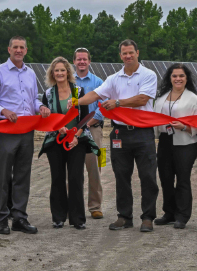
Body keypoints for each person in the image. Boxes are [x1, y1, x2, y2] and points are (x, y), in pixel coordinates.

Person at [77, 39, 158, 232]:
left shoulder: (148, 75)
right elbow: (95, 95)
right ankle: (124, 216)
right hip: (120, 134)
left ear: (137, 53)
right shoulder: (114, 78)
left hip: (143, 133)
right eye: (124, 53)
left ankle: (148, 218)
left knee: (147, 176)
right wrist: (73, 103)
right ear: (120, 55)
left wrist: (118, 103)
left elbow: (142, 99)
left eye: (131, 52)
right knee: (121, 176)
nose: (128, 56)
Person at [0, 36, 52, 235]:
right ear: (8, 49)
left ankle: (20, 217)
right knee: (4, 175)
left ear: (26, 50)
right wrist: (3, 111)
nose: (18, 50)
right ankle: (2, 218)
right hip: (7, 130)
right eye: (15, 47)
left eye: (22, 47)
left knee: (23, 175)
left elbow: (33, 98)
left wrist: (40, 106)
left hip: (26, 131)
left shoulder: (31, 73)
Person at [39, 57, 99, 230]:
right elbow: (46, 120)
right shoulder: (48, 94)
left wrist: (76, 136)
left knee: (75, 178)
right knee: (57, 178)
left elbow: (85, 117)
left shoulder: (78, 92)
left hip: (76, 141)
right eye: (56, 70)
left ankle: (78, 219)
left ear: (68, 72)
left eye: (62, 70)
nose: (59, 73)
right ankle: (58, 217)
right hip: (56, 141)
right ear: (52, 73)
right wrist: (58, 129)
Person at [152, 63, 197, 229]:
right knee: (166, 179)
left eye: (181, 76)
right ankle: (169, 212)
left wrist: (185, 127)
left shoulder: (193, 98)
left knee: (182, 179)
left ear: (186, 78)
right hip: (165, 141)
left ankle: (182, 215)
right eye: (174, 76)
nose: (178, 79)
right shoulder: (161, 98)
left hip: (185, 142)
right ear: (170, 78)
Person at [73, 47, 106, 220]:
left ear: (89, 61)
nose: (82, 62)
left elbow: (104, 106)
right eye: (79, 59)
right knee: (73, 168)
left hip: (93, 129)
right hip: (72, 131)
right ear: (74, 62)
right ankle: (73, 204)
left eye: (84, 59)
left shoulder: (98, 82)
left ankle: (95, 206)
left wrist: (89, 122)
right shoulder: (68, 80)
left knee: (95, 168)